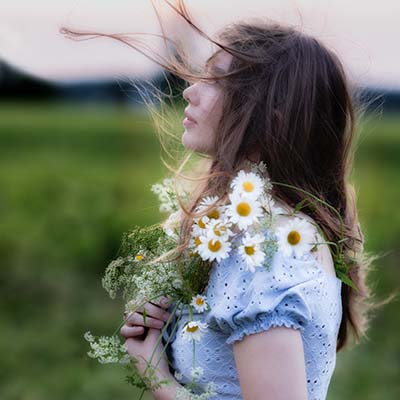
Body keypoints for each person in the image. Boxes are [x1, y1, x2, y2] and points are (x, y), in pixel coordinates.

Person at [61, 3, 389, 399]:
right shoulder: (253, 232)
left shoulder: (270, 252)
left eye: (217, 80)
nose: (190, 91)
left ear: (269, 112)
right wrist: (173, 318)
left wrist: (156, 371)